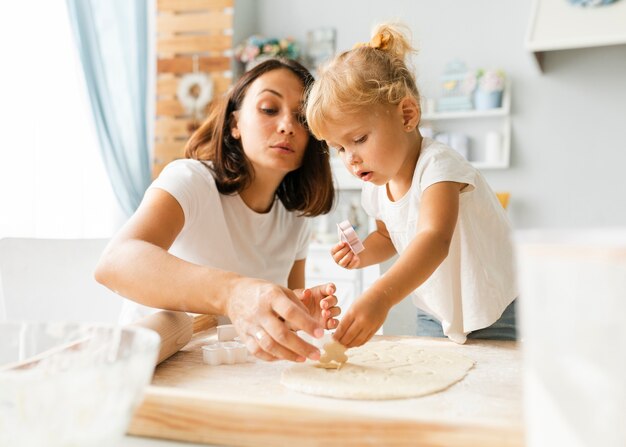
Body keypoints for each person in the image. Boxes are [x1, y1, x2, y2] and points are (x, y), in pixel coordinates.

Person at [95, 58, 339, 363]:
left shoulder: (295, 221)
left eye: (302, 118)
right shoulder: (190, 181)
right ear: (235, 124)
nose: (287, 126)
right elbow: (115, 263)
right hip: (144, 369)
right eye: (268, 109)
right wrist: (232, 292)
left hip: (224, 377)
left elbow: (271, 321)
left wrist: (298, 316)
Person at [305, 23, 517, 347]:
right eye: (340, 148)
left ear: (407, 115)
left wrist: (381, 295)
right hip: (435, 311)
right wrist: (361, 253)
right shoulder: (375, 188)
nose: (351, 159)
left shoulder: (438, 167)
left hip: (492, 305)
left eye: (359, 139)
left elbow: (434, 239)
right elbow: (387, 236)